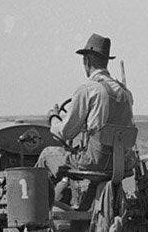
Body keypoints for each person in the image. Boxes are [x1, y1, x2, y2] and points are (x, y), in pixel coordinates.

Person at [36, 33, 136, 184]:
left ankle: (41, 204)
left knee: (47, 155)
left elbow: (65, 133)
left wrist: (53, 118)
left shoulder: (88, 90)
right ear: (106, 62)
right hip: (123, 163)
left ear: (86, 60)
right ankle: (84, 203)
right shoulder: (126, 93)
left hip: (96, 163)